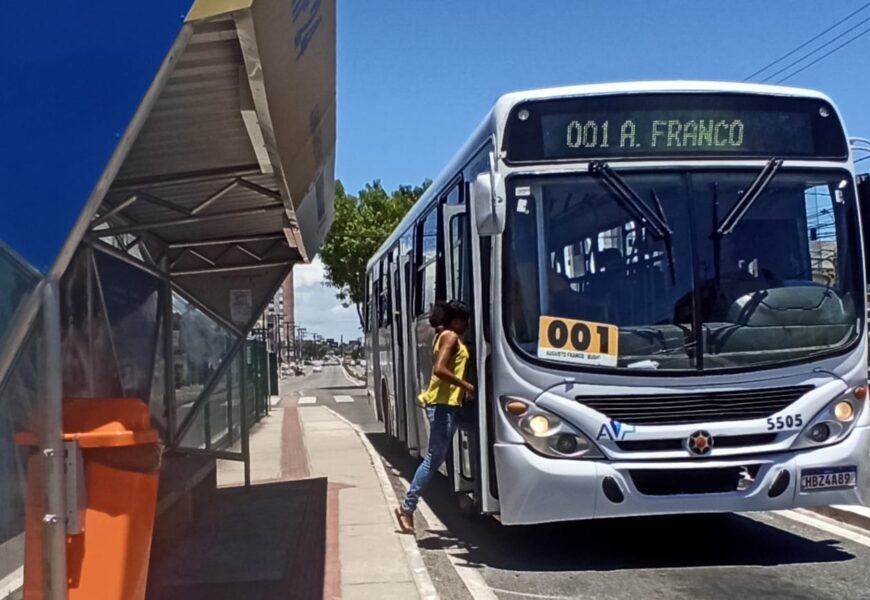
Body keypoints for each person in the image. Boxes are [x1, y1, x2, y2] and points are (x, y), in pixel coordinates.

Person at [395, 299, 473, 534]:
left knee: (487, 433)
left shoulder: (443, 335)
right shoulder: (450, 337)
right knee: (433, 460)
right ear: (454, 319)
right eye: (464, 320)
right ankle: (407, 508)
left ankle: (471, 491)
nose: (467, 324)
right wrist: (466, 385)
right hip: (443, 408)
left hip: (451, 407)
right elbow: (439, 369)